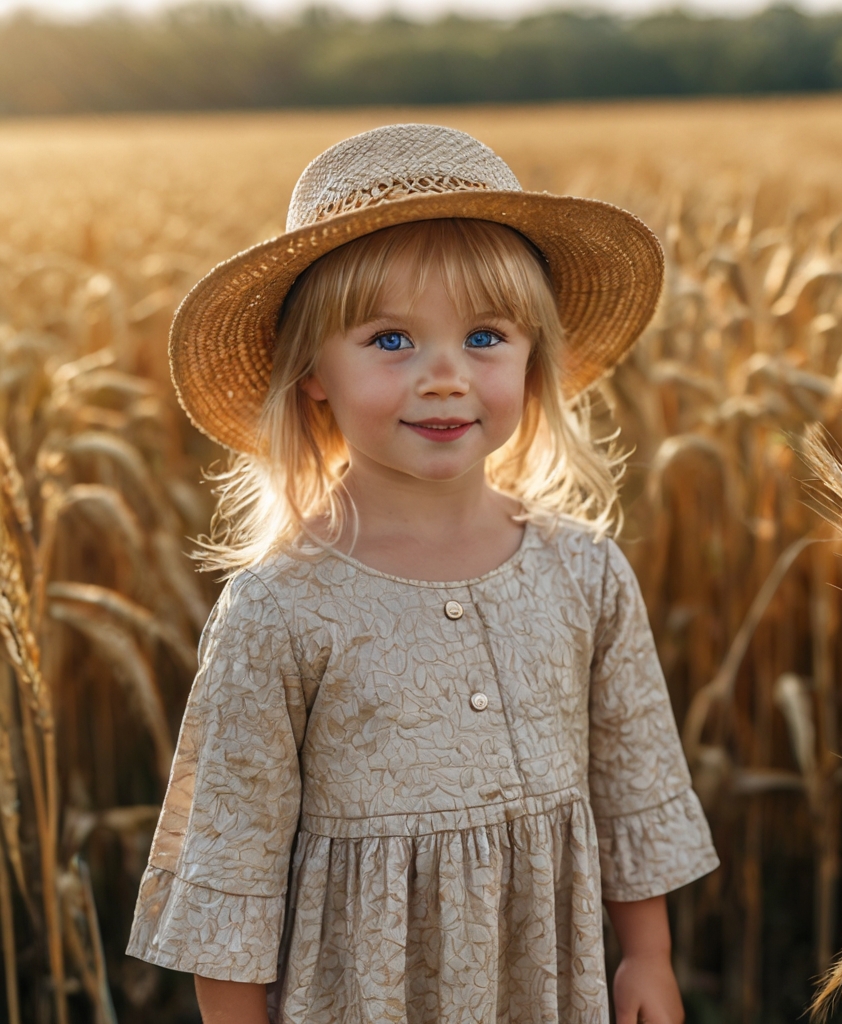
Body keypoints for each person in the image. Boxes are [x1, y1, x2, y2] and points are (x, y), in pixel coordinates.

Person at [126, 123, 718, 1024]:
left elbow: (632, 781)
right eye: (390, 341)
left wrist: (648, 956)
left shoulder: (585, 573)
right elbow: (231, 868)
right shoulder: (282, 607)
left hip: (547, 991)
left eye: (486, 336)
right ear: (311, 373)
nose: (445, 378)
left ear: (534, 360)